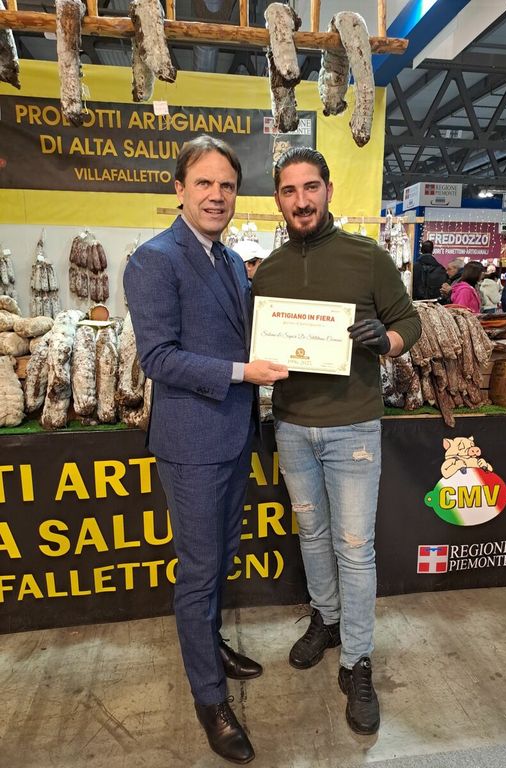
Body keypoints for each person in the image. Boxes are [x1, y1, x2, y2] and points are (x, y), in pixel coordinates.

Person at [124, 135, 288, 766]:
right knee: (198, 573)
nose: (217, 195)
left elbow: (244, 334)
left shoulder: (229, 260)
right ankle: (210, 699)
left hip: (233, 435)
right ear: (179, 189)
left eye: (226, 185)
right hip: (192, 442)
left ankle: (210, 645)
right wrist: (244, 373)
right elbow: (158, 358)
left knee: (220, 558)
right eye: (204, 183)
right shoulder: (154, 260)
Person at [252, 147, 421, 736]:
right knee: (313, 534)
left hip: (353, 429)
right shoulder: (269, 271)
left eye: (310, 188)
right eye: (289, 190)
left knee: (355, 547)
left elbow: (409, 323)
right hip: (293, 425)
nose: (301, 200)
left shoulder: (367, 257)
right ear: (278, 199)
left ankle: (358, 660)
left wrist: (386, 341)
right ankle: (325, 620)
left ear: (328, 190)